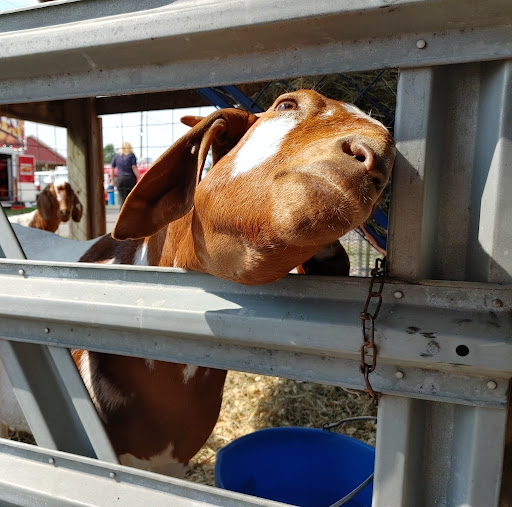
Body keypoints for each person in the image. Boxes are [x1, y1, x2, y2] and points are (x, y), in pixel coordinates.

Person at [110, 142, 140, 206]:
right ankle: (131, 214)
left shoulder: (116, 156)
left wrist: (112, 180)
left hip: (120, 179)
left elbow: (112, 168)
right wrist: (140, 178)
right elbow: (134, 167)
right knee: (130, 199)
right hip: (130, 179)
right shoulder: (132, 156)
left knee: (122, 200)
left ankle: (122, 213)